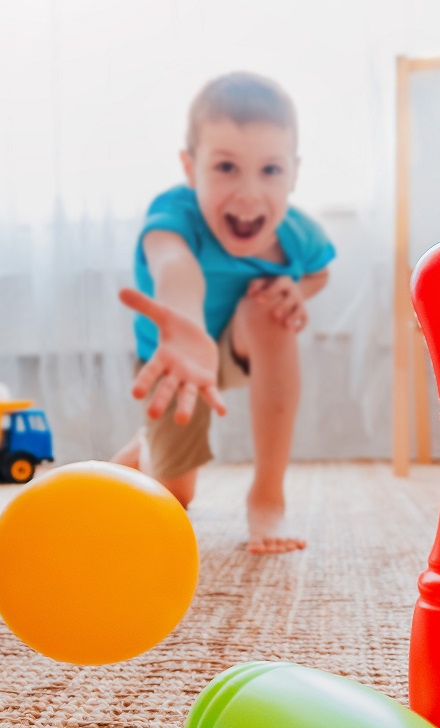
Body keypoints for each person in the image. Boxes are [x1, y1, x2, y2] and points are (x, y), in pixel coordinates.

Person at [113, 72, 334, 554]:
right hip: (176, 361)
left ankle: (267, 495)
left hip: (240, 343)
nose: (250, 193)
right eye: (227, 168)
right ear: (190, 168)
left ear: (294, 173)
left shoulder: (299, 234)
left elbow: (320, 273)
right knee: (173, 497)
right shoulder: (174, 215)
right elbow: (175, 267)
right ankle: (137, 454)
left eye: (270, 170)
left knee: (268, 307)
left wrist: (295, 289)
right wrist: (187, 330)